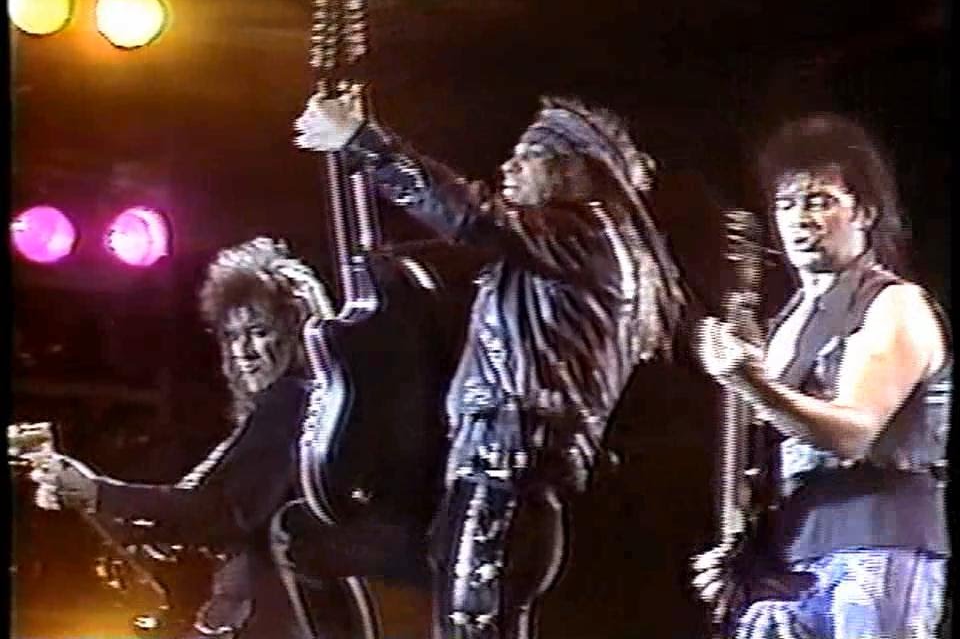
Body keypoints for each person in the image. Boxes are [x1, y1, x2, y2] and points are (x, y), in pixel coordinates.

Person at [293, 92, 687, 638]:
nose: (508, 167)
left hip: (504, 475)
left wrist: (366, 143)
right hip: (499, 473)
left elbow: (471, 217)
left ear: (573, 169)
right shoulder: (573, 248)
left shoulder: (585, 233)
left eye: (528, 156)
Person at [692, 113, 951, 638]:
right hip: (791, 560)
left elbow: (852, 432)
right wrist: (743, 546)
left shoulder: (894, 304)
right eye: (787, 204)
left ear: (865, 212)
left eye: (820, 201)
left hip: (875, 544)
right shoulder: (789, 322)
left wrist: (750, 383)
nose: (800, 220)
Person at [28, 237, 357, 638]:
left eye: (258, 332)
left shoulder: (291, 401)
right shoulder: (298, 407)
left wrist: (96, 492)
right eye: (231, 336)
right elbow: (196, 512)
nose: (243, 350)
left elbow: (216, 511)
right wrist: (98, 505)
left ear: (298, 334)